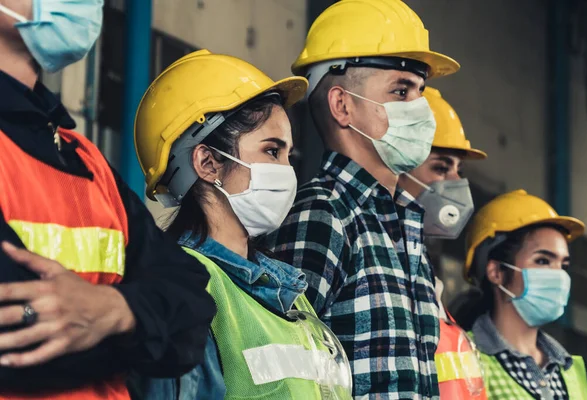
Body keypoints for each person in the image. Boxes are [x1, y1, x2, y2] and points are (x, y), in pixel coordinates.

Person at [0, 1, 216, 398]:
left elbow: (192, 312)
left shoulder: (84, 158)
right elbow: (15, 341)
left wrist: (114, 310)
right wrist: (141, 323)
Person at [132, 49, 353, 400]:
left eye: (288, 155)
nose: (287, 170)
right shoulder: (184, 288)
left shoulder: (288, 292)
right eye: (271, 151)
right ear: (208, 162)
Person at [266, 0, 460, 397]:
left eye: (421, 92)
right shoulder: (324, 214)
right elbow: (289, 369)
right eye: (401, 91)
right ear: (342, 105)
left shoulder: (404, 221)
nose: (421, 109)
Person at [455, 190, 587, 399]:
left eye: (563, 265)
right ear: (497, 272)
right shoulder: (462, 359)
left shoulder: (570, 369)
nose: (559, 276)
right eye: (543, 261)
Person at [397, 87, 487, 399]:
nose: (455, 183)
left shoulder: (421, 268)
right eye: (440, 167)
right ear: (399, 163)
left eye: (458, 171)